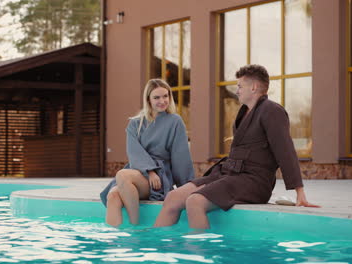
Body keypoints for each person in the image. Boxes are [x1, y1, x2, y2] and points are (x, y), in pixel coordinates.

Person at [153, 64, 319, 230]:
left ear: (253, 87)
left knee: (195, 202)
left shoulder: (272, 111)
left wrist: (299, 192)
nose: (237, 90)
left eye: (240, 86)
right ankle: (156, 247)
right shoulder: (244, 112)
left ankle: (199, 253)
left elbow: (286, 151)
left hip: (254, 181)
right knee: (173, 197)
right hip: (228, 173)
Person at [100, 78, 195, 227]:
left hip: (159, 179)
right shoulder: (135, 123)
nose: (162, 101)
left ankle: (135, 227)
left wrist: (187, 186)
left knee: (122, 175)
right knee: (112, 196)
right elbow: (134, 152)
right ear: (148, 100)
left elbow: (180, 156)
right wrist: (149, 170)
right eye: (156, 97)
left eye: (165, 96)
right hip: (138, 172)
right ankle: (114, 243)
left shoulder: (175, 121)